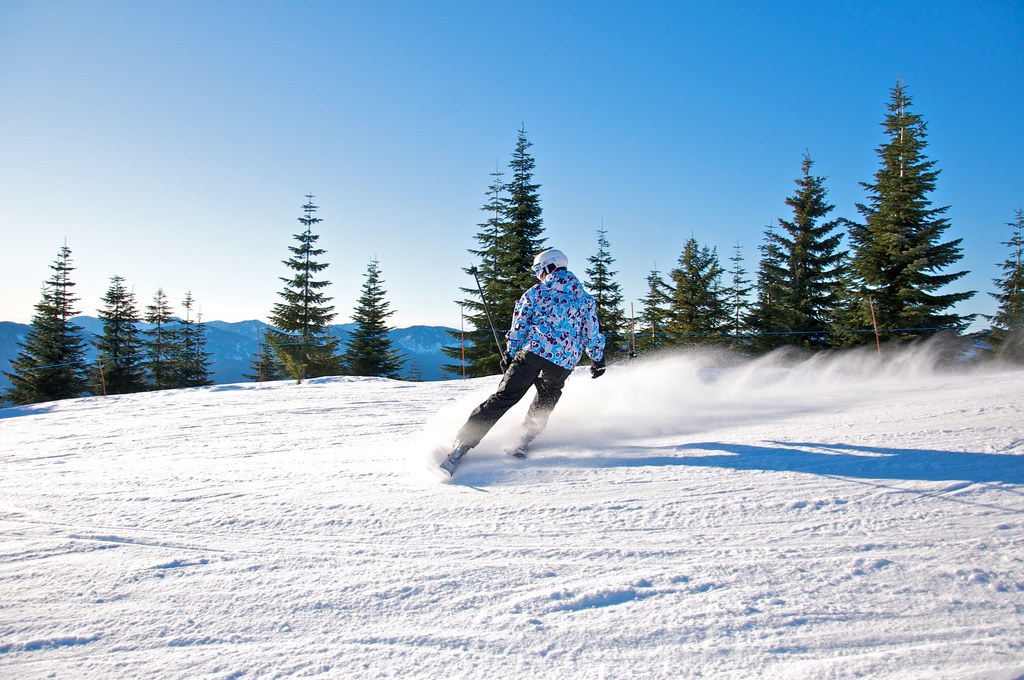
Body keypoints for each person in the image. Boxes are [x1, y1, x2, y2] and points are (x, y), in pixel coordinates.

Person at [440, 248, 606, 476]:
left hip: (534, 353)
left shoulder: (536, 293)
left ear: (549, 267)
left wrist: (510, 354)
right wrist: (598, 359)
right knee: (547, 398)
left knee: (504, 397)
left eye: (539, 270)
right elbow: (592, 333)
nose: (538, 275)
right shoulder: (585, 300)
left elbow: (520, 326)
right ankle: (523, 439)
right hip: (563, 362)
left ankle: (461, 447)